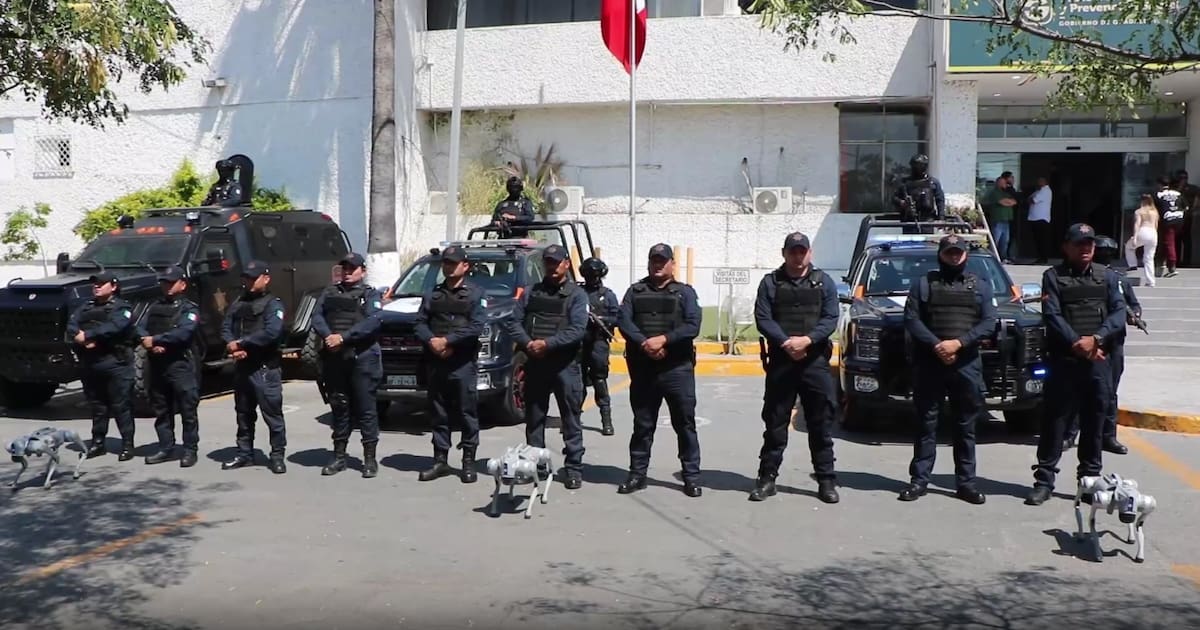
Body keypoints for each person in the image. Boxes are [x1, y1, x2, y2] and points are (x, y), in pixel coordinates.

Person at [1026, 224, 1126, 506]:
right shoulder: (1053, 276)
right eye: (1080, 243)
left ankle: (1090, 482)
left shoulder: (1106, 277)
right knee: (1055, 422)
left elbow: (1119, 313)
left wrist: (1096, 338)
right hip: (1065, 361)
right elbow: (1053, 316)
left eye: (1090, 244)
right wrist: (1077, 344)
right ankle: (1044, 481)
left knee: (1094, 422)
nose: (1086, 248)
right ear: (1066, 246)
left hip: (1098, 360)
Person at [898, 234, 995, 505]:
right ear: (940, 255)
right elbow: (912, 320)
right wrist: (938, 346)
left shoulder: (980, 286)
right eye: (949, 252)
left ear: (965, 255)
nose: (954, 257)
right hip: (930, 362)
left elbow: (988, 323)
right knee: (925, 424)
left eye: (958, 253)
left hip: (966, 364)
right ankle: (919, 481)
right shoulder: (923, 285)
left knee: (966, 426)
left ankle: (966, 484)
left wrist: (958, 344)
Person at [749, 232, 840, 504]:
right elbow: (763, 318)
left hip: (814, 362)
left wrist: (808, 341)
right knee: (775, 424)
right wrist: (786, 342)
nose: (797, 256)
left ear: (809, 253)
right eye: (793, 251)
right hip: (782, 362)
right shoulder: (770, 283)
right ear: (784, 253)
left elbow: (831, 318)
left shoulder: (824, 282)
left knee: (820, 424)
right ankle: (767, 479)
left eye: (802, 251)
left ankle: (826, 480)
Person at [616, 243, 704, 497]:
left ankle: (691, 477)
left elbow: (692, 326)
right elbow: (624, 321)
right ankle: (637, 475)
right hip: (644, 369)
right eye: (654, 260)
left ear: (672, 264)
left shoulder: (685, 293)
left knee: (685, 424)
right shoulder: (635, 291)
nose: (658, 264)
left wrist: (664, 340)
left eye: (663, 260)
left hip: (677, 368)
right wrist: (646, 343)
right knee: (642, 425)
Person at [505, 244, 588, 489]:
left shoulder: (577, 295)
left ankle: (573, 468)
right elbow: (514, 322)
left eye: (556, 262)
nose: (552, 267)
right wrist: (529, 343)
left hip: (564, 365)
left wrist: (547, 344)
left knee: (570, 419)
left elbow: (577, 330)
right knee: (535, 418)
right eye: (548, 262)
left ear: (566, 264)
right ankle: (536, 465)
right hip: (536, 364)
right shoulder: (531, 293)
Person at [413, 245, 486, 483]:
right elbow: (419, 323)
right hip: (437, 361)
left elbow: (476, 326)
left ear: (465, 266)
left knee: (466, 413)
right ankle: (440, 460)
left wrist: (448, 341)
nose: (448, 267)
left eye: (453, 263)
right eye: (445, 263)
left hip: (462, 362)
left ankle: (468, 461)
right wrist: (432, 341)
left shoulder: (475, 294)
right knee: (438, 412)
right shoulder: (433, 294)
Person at [311, 253, 385, 478]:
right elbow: (317, 317)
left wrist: (343, 338)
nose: (348, 271)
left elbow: (373, 322)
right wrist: (329, 337)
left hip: (361, 358)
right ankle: (339, 457)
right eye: (344, 267)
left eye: (353, 268)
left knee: (366, 410)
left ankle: (369, 459)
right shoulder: (330, 292)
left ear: (362, 271)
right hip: (335, 358)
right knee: (339, 407)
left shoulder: (370, 295)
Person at [1062, 236, 1134, 455]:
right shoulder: (1074, 278)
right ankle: (1070, 433)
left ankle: (1107, 436)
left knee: (1109, 393)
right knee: (1075, 393)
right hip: (1082, 344)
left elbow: (1128, 306)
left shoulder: (1116, 279)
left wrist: (1134, 314)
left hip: (1111, 345)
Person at [220, 260, 289, 474]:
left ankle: (277, 456)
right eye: (246, 278)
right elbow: (225, 327)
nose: (248, 282)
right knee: (243, 413)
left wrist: (242, 344)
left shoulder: (273, 304)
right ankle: (244, 454)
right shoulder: (239, 302)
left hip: (265, 367)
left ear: (266, 279)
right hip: (243, 366)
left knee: (272, 414)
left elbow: (271, 333)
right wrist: (232, 346)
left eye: (253, 278)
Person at [66, 271, 138, 460]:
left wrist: (90, 336)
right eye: (95, 284)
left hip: (116, 363)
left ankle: (127, 445)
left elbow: (116, 326)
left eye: (101, 283)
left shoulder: (122, 307)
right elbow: (72, 325)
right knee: (97, 406)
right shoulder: (85, 306)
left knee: (121, 406)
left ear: (113, 286)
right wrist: (81, 339)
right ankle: (98, 443)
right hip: (91, 363)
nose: (96, 286)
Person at [138, 266, 201, 467]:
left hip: (179, 364)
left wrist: (157, 340)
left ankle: (190, 450)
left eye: (171, 282)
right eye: (164, 282)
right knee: (161, 409)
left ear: (182, 284)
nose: (166, 286)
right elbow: (140, 327)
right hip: (157, 365)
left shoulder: (189, 308)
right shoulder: (154, 306)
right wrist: (149, 342)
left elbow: (184, 332)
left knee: (187, 409)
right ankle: (166, 447)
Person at [579, 257, 619, 436]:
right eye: (589, 275)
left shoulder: (607, 294)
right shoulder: (577, 293)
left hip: (598, 343)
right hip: (578, 344)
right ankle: (573, 419)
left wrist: (601, 320)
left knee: (599, 381)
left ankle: (607, 421)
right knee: (576, 385)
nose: (592, 278)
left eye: (594, 275)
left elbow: (617, 318)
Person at [892, 154, 945, 233]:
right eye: (915, 165)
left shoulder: (933, 182)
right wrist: (902, 203)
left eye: (920, 165)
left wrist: (941, 218)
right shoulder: (904, 183)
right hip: (909, 221)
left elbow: (940, 200)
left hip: (927, 221)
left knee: (927, 243)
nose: (917, 168)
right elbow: (894, 198)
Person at [982, 172, 1018, 263]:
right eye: (1002, 182)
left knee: (1005, 241)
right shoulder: (994, 192)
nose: (1004, 184)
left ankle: (1003, 258)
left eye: (1005, 182)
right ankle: (992, 257)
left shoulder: (1006, 192)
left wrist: (1008, 201)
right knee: (995, 240)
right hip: (997, 220)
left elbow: (1014, 201)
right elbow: (1001, 202)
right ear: (998, 183)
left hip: (1006, 220)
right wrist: (1007, 202)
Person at [1124, 194, 1159, 288]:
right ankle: (1151, 281)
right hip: (1153, 233)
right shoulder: (1154, 211)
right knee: (1149, 259)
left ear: (1142, 201)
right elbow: (1156, 225)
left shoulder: (1139, 211)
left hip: (1143, 231)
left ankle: (1132, 264)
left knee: (1129, 247)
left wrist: (1134, 237)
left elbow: (1137, 224)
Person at [1154, 176, 1184, 278]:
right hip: (1179, 219)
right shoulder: (1177, 194)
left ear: (1159, 185)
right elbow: (1186, 207)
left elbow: (1154, 209)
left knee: (1168, 243)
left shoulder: (1159, 195)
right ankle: (1161, 262)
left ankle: (1172, 266)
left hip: (1167, 220)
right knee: (1167, 242)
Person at [1028, 176, 1053, 264]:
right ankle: (1040, 257)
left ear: (1045, 182)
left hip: (1041, 219)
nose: (1038, 182)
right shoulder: (1038, 190)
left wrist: (1030, 199)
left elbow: (1033, 200)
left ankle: (1043, 258)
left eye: (1040, 181)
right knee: (1037, 240)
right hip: (1035, 218)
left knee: (1042, 240)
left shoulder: (1045, 190)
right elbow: (1029, 198)